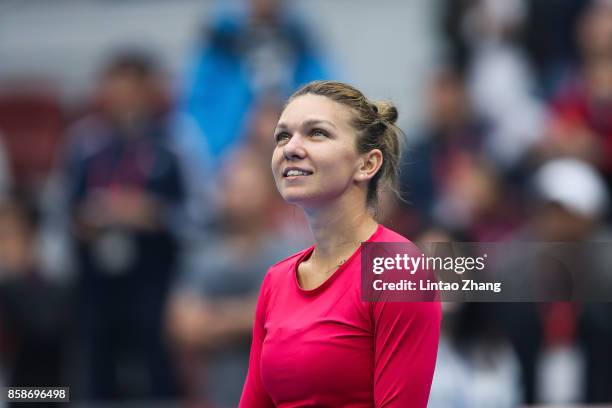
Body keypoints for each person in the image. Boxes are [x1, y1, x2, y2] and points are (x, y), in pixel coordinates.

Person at [239, 80, 441, 407]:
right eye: (283, 136)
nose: (291, 148)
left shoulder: (398, 268)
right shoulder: (276, 280)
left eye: (317, 133)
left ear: (367, 164)